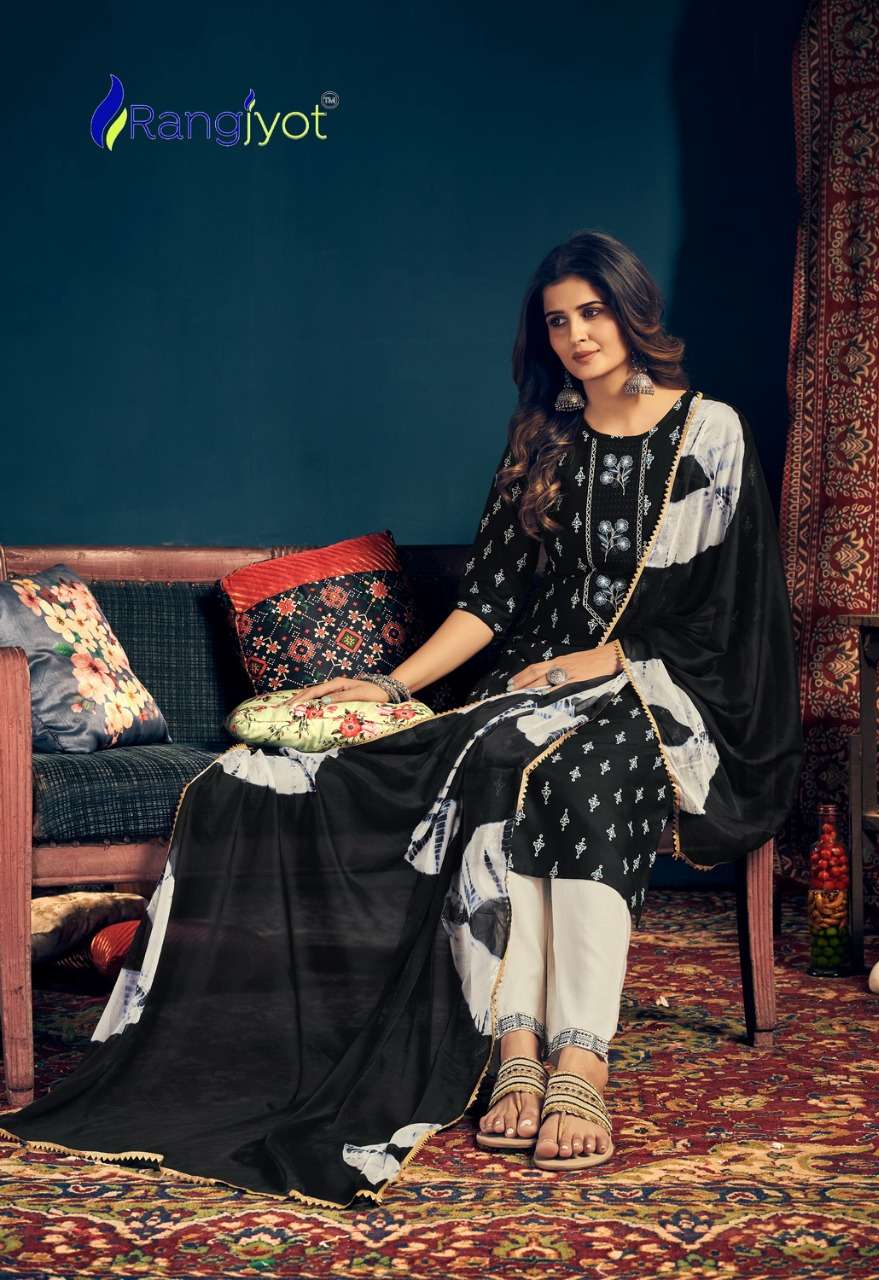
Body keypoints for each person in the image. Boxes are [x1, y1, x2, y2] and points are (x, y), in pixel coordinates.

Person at [0, 230, 802, 1205]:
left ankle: (581, 1057)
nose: (578, 336)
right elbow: (490, 603)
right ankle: (514, 1045)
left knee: (578, 767)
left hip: (662, 685)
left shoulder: (707, 434)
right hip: (529, 678)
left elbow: (734, 604)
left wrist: (606, 660)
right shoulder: (541, 442)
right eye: (557, 321)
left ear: (633, 311)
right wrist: (388, 685)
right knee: (492, 762)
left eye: (592, 312)